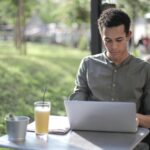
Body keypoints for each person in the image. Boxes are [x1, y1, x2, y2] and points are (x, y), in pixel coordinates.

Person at [69, 8, 150, 150]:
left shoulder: (145, 70)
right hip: (91, 140)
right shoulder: (88, 64)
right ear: (102, 36)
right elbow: (76, 107)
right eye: (108, 40)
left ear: (128, 35)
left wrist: (134, 117)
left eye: (119, 40)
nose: (114, 46)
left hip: (131, 143)